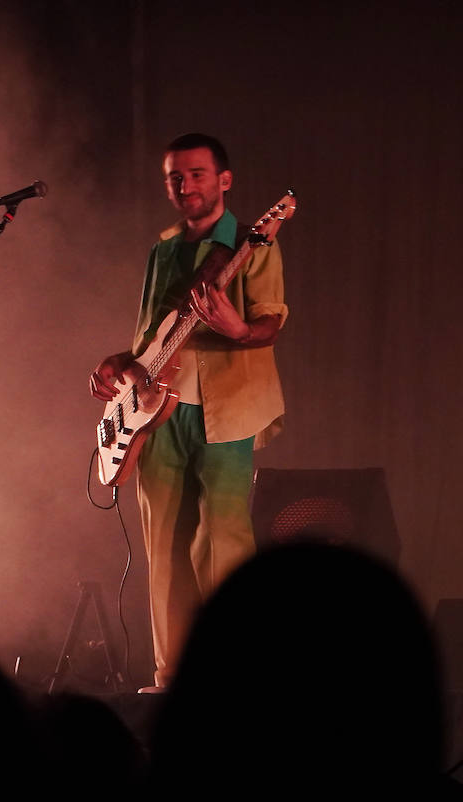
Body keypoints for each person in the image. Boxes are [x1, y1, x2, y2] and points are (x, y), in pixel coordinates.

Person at [89, 134, 288, 691]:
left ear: (224, 180)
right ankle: (172, 676)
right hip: (157, 412)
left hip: (226, 409)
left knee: (222, 539)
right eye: (175, 177)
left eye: (198, 174)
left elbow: (272, 321)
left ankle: (234, 674)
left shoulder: (255, 243)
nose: (185, 185)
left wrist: (240, 330)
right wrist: (117, 364)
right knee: (164, 544)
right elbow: (150, 338)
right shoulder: (164, 248)